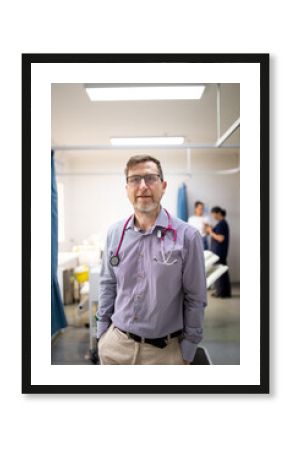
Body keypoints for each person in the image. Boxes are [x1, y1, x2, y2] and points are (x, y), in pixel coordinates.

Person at [96, 154, 207, 365]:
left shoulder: (187, 237)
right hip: (115, 347)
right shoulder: (115, 233)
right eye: (134, 179)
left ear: (163, 186)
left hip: (164, 353)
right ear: (127, 188)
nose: (143, 186)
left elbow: (196, 297)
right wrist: (102, 335)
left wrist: (188, 350)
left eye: (150, 178)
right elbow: (107, 284)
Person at [206, 206, 231, 298]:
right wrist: (212, 229)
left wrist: (210, 231)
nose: (213, 216)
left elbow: (220, 238)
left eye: (213, 214)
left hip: (219, 253)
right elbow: (218, 234)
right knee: (222, 272)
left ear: (218, 213)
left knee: (219, 272)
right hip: (220, 252)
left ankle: (221, 293)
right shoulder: (222, 223)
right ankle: (223, 292)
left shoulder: (222, 224)